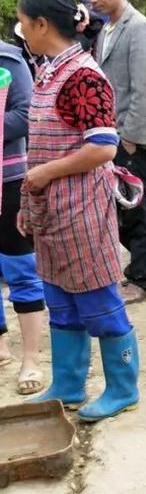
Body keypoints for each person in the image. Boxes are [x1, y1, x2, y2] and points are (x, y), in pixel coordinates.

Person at [16, 0, 139, 422]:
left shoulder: (84, 76)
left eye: (24, 22)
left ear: (42, 24)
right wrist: (30, 198)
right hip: (52, 211)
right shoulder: (49, 69)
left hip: (82, 209)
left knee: (99, 301)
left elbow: (104, 147)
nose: (21, 29)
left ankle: (122, 388)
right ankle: (68, 383)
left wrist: (46, 173)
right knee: (61, 301)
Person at [80, 0, 146, 304]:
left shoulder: (139, 27)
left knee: (136, 206)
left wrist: (130, 137)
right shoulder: (108, 28)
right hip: (114, 132)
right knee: (128, 204)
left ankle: (142, 277)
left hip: (132, 137)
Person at [0, 37, 45, 395]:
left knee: (20, 269)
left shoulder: (8, 59)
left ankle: (31, 358)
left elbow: (26, 113)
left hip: (9, 180)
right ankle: (0, 348)